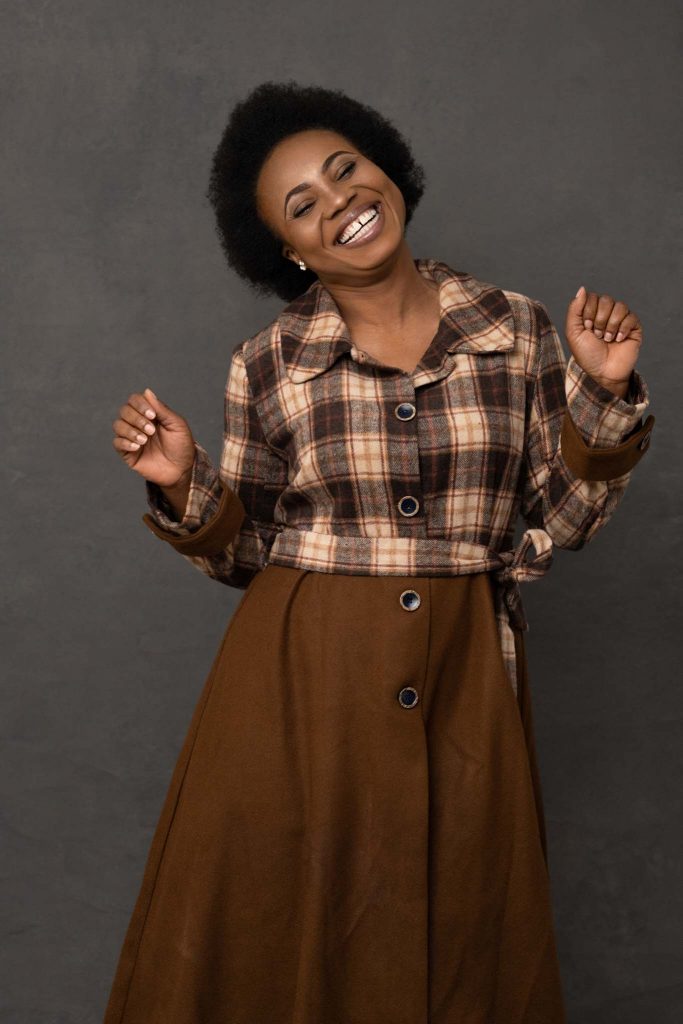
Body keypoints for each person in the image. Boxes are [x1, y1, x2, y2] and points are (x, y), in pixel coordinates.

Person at [104, 81, 655, 1024]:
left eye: (343, 171)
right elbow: (248, 555)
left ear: (383, 166)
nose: (339, 206)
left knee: (458, 939)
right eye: (302, 207)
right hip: (296, 687)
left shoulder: (516, 330)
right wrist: (181, 481)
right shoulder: (266, 363)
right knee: (282, 932)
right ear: (287, 250)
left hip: (466, 677)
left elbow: (562, 521)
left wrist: (601, 394)